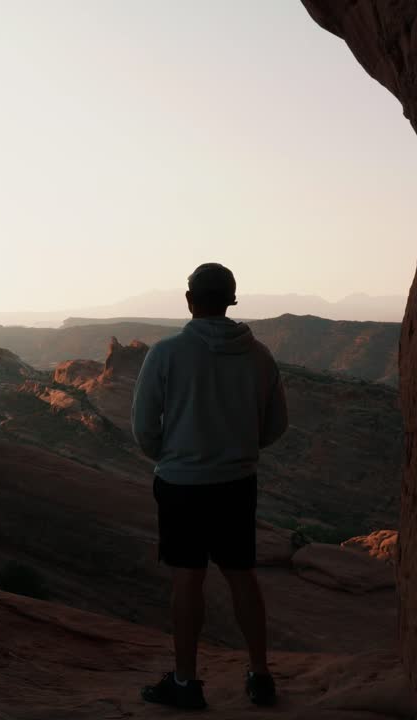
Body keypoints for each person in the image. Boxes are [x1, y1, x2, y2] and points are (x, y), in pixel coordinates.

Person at [132, 262, 288, 710]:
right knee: (242, 576)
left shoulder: (165, 354)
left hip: (182, 485)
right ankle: (261, 676)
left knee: (187, 581)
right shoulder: (259, 355)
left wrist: (171, 456)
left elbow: (144, 427)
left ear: (189, 300)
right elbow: (277, 424)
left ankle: (185, 683)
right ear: (231, 300)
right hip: (237, 482)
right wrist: (240, 447)